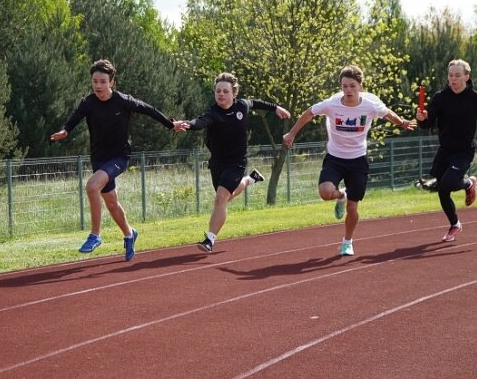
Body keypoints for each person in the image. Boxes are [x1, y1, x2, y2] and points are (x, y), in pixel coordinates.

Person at [50, 59, 187, 261]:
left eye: (103, 81)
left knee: (91, 186)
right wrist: (64, 131)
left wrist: (170, 124)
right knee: (112, 204)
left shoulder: (123, 101)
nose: (98, 85)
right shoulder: (88, 103)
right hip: (99, 159)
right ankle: (130, 234)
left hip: (119, 157)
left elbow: (149, 109)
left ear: (112, 82)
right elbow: (72, 121)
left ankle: (95, 235)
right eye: (95, 81)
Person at [283, 65, 416, 256]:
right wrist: (292, 133)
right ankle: (340, 196)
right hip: (335, 158)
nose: (348, 91)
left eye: (352, 86)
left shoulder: (370, 105)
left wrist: (401, 122)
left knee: (353, 208)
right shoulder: (332, 103)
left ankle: (347, 242)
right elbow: (309, 113)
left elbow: (387, 114)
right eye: (344, 86)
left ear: (360, 86)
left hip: (358, 160)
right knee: (325, 192)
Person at [179, 72, 291, 252]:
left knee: (220, 198)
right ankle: (249, 180)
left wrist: (275, 108)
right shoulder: (212, 112)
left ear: (234, 93)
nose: (221, 94)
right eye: (218, 91)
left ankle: (209, 240)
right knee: (224, 200)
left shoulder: (242, 106)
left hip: (237, 162)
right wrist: (188, 124)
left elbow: (256, 103)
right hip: (217, 162)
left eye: (225, 91)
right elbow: (200, 122)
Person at [415, 59, 477, 242]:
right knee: (442, 190)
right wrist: (421, 118)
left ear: (466, 77)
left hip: (464, 151)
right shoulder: (439, 98)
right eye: (450, 75)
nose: (453, 79)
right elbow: (427, 125)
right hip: (445, 150)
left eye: (457, 75)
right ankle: (455, 224)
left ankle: (468, 183)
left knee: (449, 182)